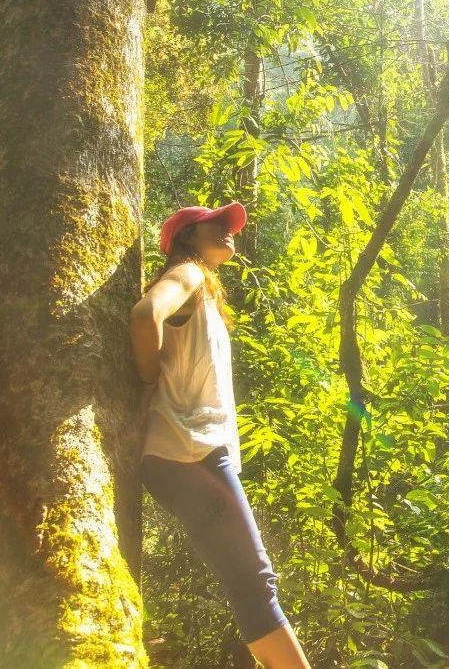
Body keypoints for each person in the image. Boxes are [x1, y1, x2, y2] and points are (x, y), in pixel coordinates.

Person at [130, 202, 311, 669]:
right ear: (188, 236)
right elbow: (145, 313)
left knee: (246, 578)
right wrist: (149, 382)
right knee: (254, 579)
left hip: (190, 453)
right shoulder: (187, 273)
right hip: (190, 450)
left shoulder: (203, 290)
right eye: (218, 225)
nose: (229, 232)